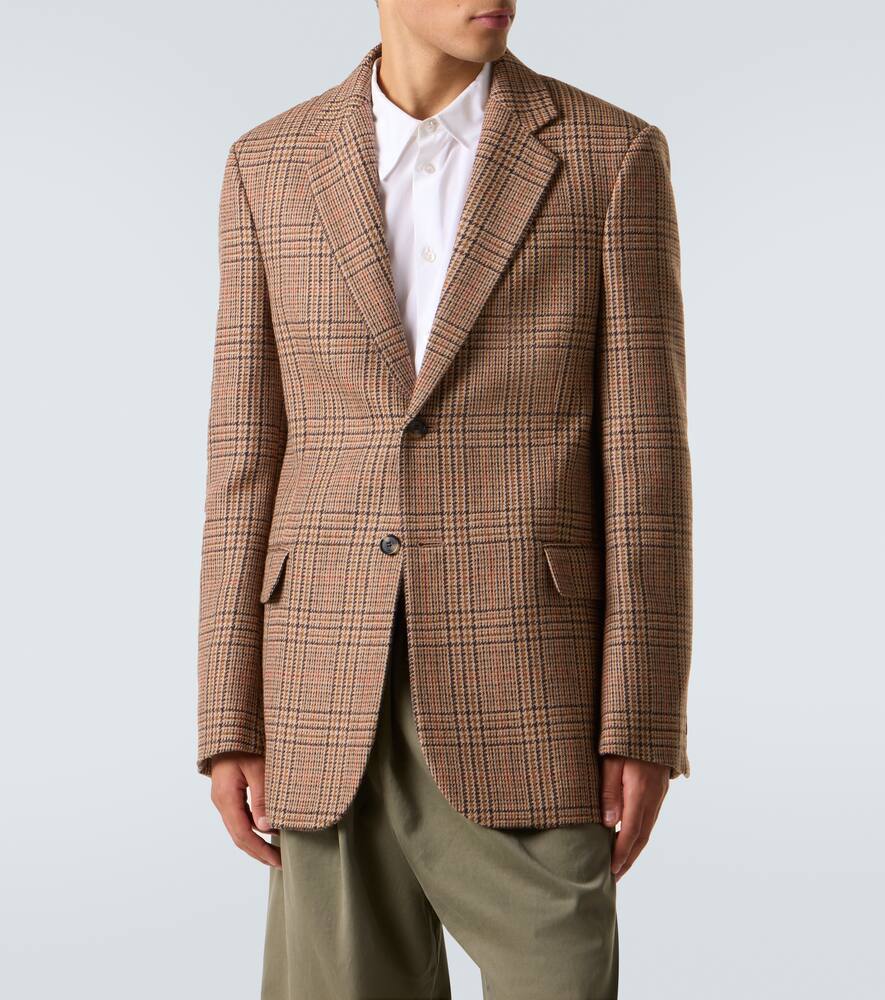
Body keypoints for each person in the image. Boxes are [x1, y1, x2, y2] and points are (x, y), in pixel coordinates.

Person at [196, 2, 692, 997]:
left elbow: (646, 461)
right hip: (323, 685)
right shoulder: (269, 164)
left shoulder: (610, 155)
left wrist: (640, 719)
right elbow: (245, 453)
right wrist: (227, 713)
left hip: (534, 688)